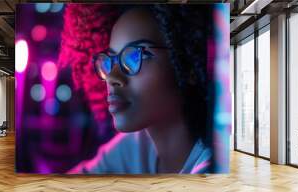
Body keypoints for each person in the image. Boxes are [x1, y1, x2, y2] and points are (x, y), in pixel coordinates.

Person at [69, 4, 214, 174]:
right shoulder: (138, 145)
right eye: (110, 61)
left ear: (187, 62)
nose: (112, 77)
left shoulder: (211, 169)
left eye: (134, 57)